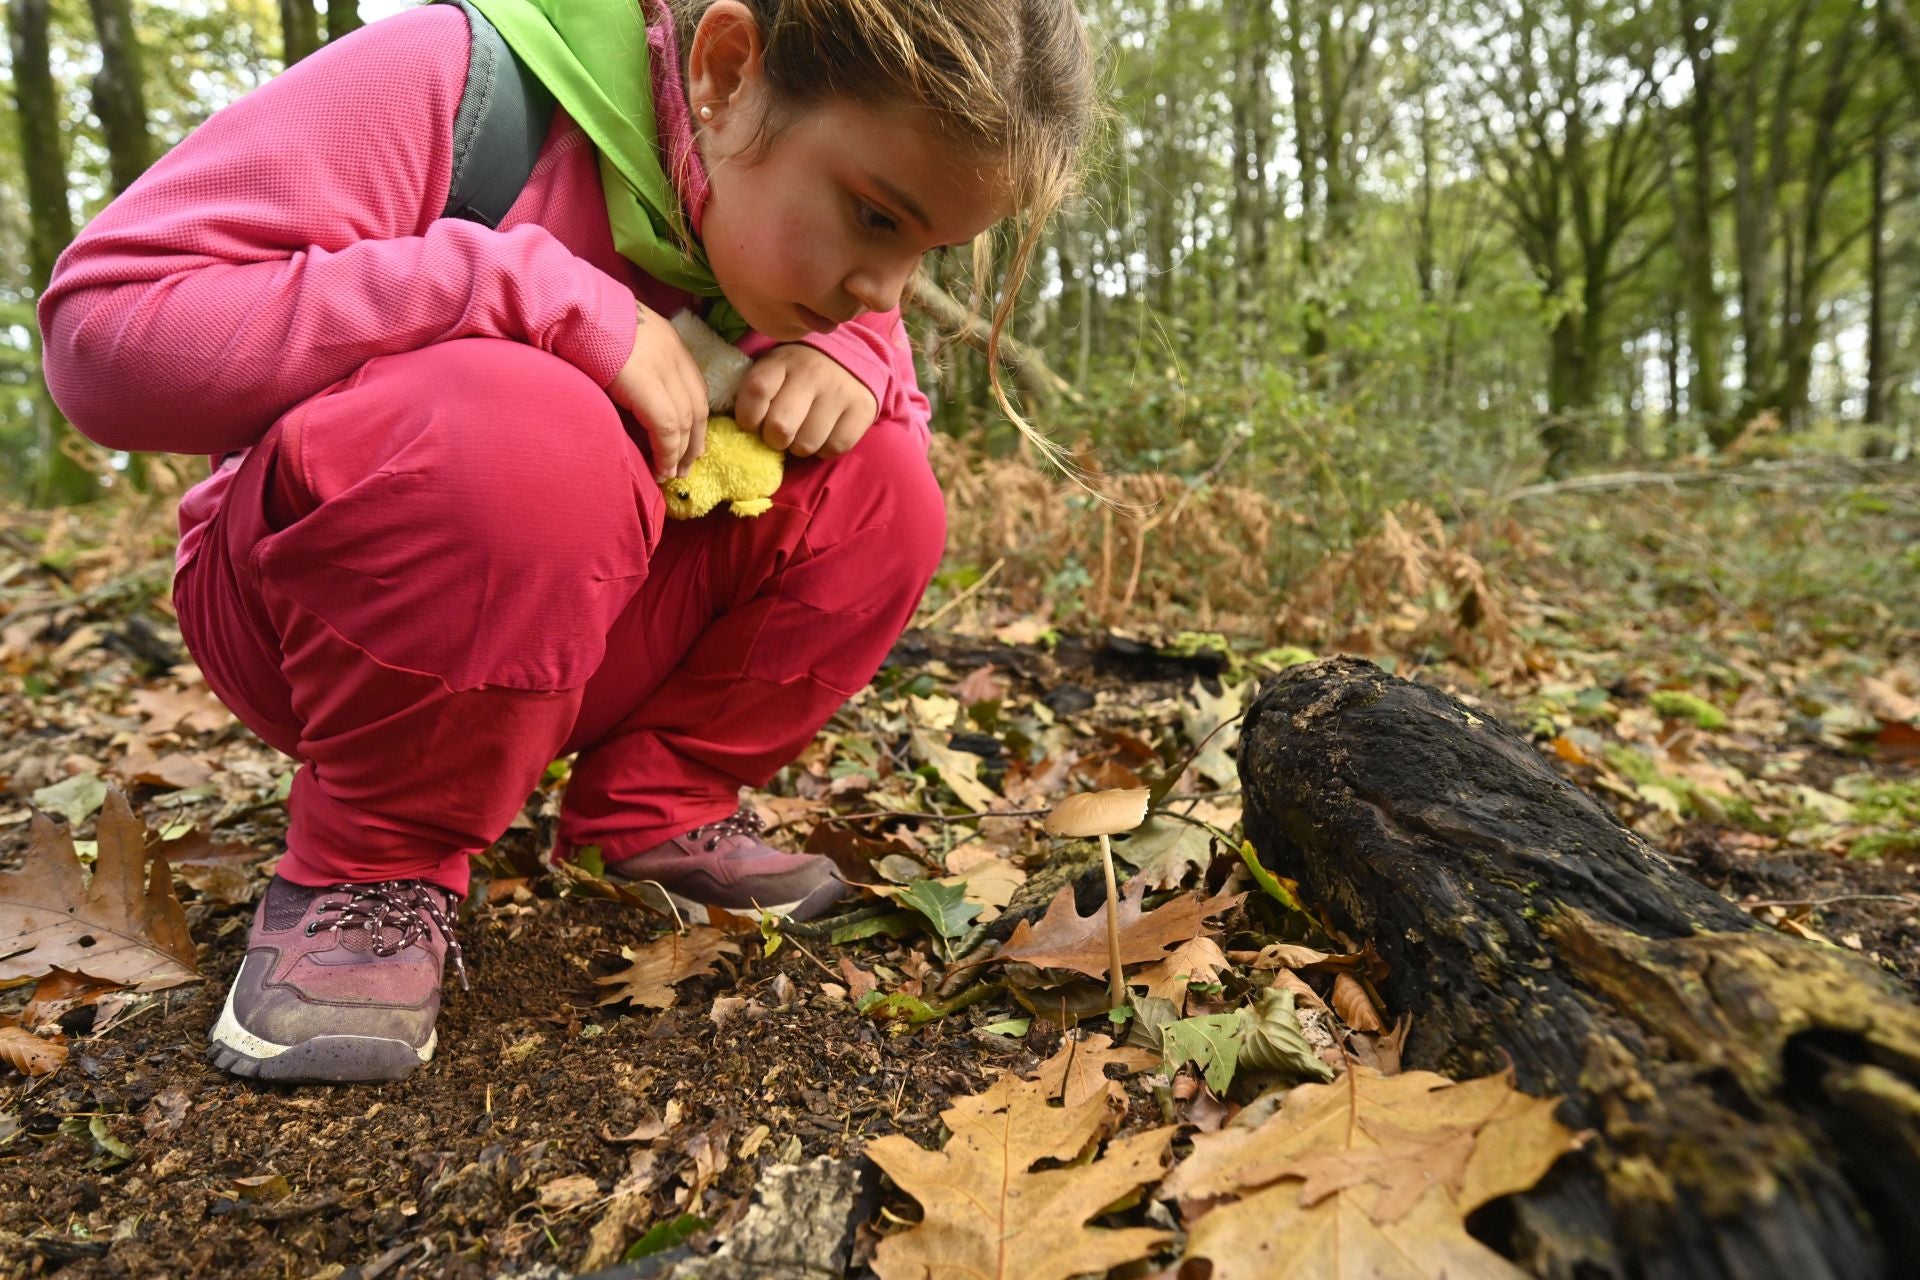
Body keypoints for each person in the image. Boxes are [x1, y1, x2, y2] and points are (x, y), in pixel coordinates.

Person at [36, 0, 1093, 1083]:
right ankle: (370, 865)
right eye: (877, 220)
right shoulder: (463, 84)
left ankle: (649, 810)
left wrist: (862, 363)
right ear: (727, 71)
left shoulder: (821, 251)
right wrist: (515, 288)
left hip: (583, 634)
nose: (887, 289)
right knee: (529, 430)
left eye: (930, 252)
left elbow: (876, 374)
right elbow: (103, 336)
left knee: (887, 486)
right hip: (321, 614)